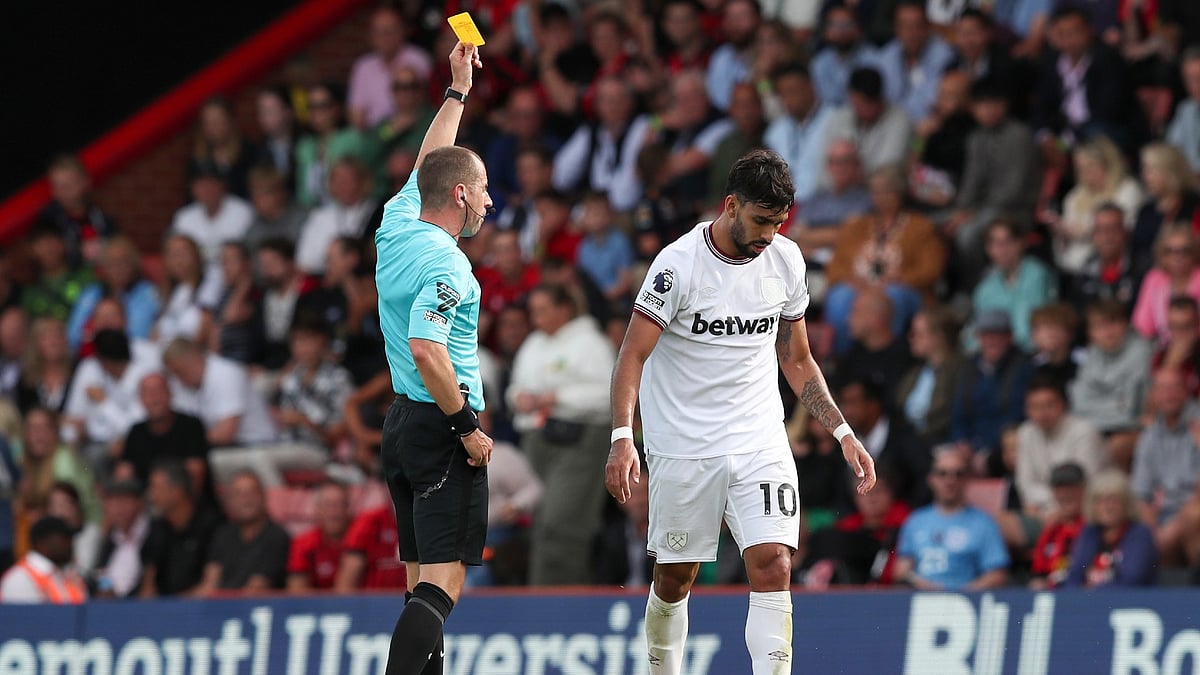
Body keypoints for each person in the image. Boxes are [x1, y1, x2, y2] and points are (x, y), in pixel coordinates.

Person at [605, 149, 876, 675]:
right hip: (684, 444)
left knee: (774, 562)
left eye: (778, 223)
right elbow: (632, 355)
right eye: (760, 221)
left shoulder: (787, 261)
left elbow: (796, 359)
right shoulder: (677, 266)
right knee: (675, 577)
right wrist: (621, 437)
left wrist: (842, 431)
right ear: (731, 206)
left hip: (759, 438)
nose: (769, 235)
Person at [373, 41, 493, 675]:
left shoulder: (398, 223)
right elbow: (427, 348)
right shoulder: (450, 263)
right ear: (460, 197)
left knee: (420, 579)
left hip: (400, 426)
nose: (489, 204)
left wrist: (457, 90)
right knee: (443, 586)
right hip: (439, 424)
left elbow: (430, 163)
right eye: (483, 192)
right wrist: (467, 428)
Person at [506, 284, 615, 585]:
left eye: (543, 311)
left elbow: (608, 395)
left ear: (564, 309)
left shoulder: (591, 343)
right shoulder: (533, 345)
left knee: (562, 524)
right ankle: (549, 598)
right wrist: (520, 399)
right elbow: (514, 389)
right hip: (536, 443)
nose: (537, 319)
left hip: (578, 443)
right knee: (539, 528)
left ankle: (553, 605)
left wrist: (558, 397)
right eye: (533, 312)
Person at [894, 447, 1009, 590]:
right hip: (921, 601)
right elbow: (902, 570)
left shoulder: (984, 524)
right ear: (931, 479)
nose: (950, 480)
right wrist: (921, 584)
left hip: (965, 605)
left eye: (958, 474)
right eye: (942, 474)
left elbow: (997, 575)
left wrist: (958, 594)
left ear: (968, 479)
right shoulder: (915, 521)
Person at [195, 472, 290, 594]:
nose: (246, 499)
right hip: (219, 606)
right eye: (239, 494)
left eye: (252, 492)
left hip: (256, 609)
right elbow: (209, 583)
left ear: (264, 496)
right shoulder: (223, 535)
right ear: (229, 502)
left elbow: (257, 588)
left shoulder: (277, 536)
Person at [140, 460, 222, 598]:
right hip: (162, 611)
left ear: (177, 491)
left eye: (155, 487)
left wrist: (175, 608)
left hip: (201, 610)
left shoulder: (211, 526)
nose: (150, 495)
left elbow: (211, 585)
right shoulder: (157, 529)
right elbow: (148, 586)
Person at [1063, 469, 1158, 587]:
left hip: (1128, 603)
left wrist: (1091, 594)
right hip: (1090, 601)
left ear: (1126, 503)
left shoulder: (1139, 533)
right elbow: (1074, 576)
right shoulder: (1089, 531)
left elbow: (1131, 580)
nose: (1108, 507)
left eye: (1114, 500)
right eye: (1101, 501)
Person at [1028, 462, 1087, 589]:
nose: (1065, 493)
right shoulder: (1051, 531)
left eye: (1071, 487)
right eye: (1059, 488)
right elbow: (1038, 573)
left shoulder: (1095, 526)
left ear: (1084, 488)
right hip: (1055, 598)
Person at [0, 516, 86, 604]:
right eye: (64, 539)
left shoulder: (68, 575)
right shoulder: (20, 578)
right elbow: (24, 616)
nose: (70, 544)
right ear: (42, 543)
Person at [287, 481, 351, 592]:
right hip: (315, 607)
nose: (334, 512)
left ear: (348, 509)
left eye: (340, 505)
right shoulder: (303, 543)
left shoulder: (360, 539)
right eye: (328, 505)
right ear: (317, 509)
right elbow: (297, 592)